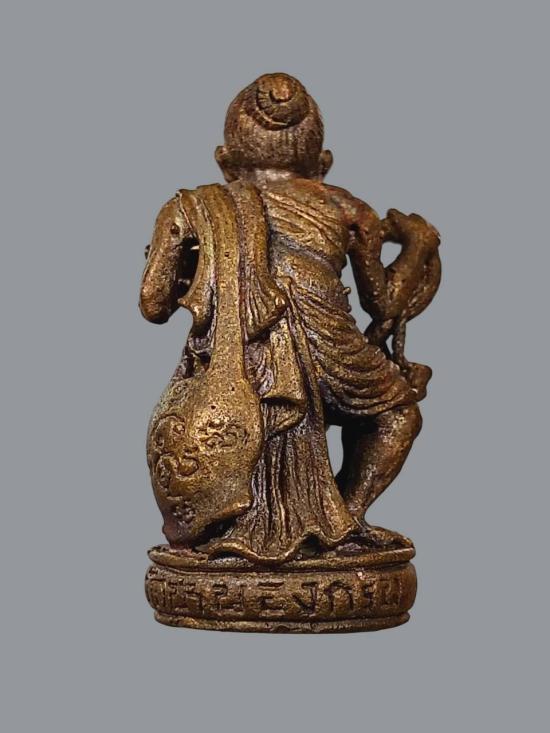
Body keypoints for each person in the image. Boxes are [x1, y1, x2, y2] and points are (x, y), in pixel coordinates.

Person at [140, 73, 441, 562]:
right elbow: (385, 305)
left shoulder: (190, 208)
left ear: (224, 161)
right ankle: (347, 516)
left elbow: (153, 306)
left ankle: (323, 527)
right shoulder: (346, 207)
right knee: (397, 413)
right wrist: (419, 245)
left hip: (237, 360)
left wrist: (194, 266)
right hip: (331, 357)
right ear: (323, 164)